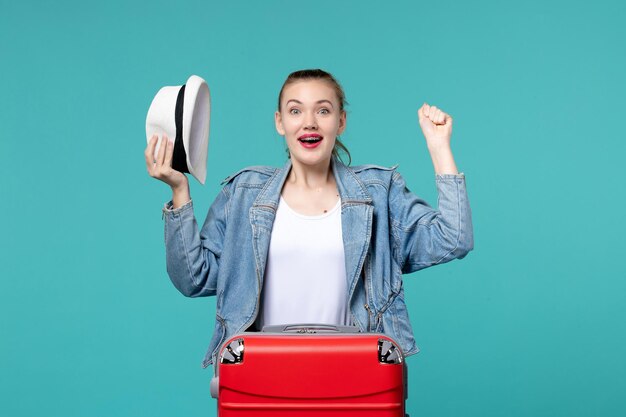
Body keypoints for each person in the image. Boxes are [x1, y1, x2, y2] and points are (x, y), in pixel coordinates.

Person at [145, 69, 473, 369]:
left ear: (340, 121)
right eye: (295, 110)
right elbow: (194, 278)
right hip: (264, 376)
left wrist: (439, 146)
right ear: (279, 122)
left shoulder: (379, 192)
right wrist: (179, 191)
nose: (309, 122)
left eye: (323, 110)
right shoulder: (244, 193)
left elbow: (454, 239)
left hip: (355, 375)